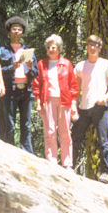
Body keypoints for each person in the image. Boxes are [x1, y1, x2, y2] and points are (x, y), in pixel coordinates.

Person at [72, 34, 108, 183]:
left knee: (103, 140)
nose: (92, 48)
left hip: (99, 107)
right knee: (75, 137)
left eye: (95, 45)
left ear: (100, 47)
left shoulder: (106, 64)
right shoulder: (80, 66)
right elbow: (76, 88)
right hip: (84, 108)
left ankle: (105, 172)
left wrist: (105, 98)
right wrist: (74, 106)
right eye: (89, 45)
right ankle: (70, 166)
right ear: (87, 47)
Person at [33, 34, 78, 168]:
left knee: (64, 132)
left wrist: (74, 103)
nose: (51, 49)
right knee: (50, 131)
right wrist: (38, 102)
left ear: (59, 49)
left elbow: (73, 85)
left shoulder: (67, 64)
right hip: (48, 100)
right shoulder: (41, 64)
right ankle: (51, 162)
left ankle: (67, 164)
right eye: (48, 47)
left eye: (53, 47)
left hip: (64, 101)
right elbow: (37, 84)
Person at [0, 15, 38, 153]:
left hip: (26, 90)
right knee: (10, 124)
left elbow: (35, 74)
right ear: (9, 32)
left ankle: (27, 153)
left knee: (26, 125)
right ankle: (9, 152)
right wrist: (11, 68)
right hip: (10, 90)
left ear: (22, 32)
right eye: (14, 29)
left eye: (19, 29)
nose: (16, 32)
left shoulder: (28, 52)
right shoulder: (2, 50)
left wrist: (30, 66)